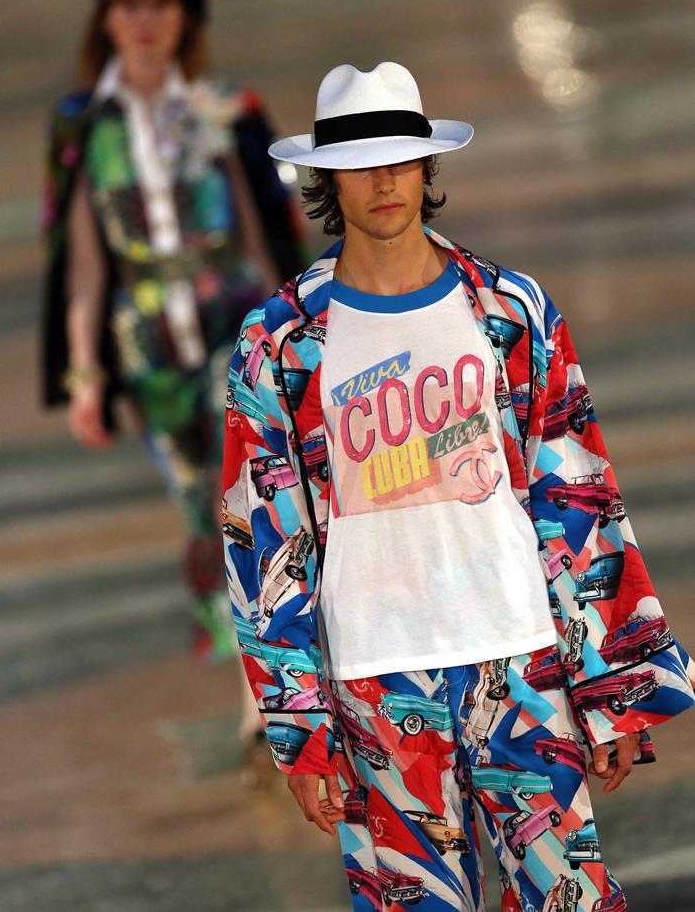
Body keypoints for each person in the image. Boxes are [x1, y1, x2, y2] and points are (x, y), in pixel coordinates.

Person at [221, 62, 695, 909]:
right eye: (360, 164)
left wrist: (608, 688)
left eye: (400, 159)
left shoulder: (510, 311)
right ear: (327, 179)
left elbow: (577, 494)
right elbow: (264, 544)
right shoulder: (281, 343)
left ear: (427, 165)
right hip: (374, 682)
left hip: (523, 662)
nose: (383, 181)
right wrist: (298, 726)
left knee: (571, 898)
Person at [41, 0, 304, 765]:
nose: (146, 20)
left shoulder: (222, 106)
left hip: (232, 320)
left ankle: (265, 694)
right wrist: (84, 375)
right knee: (201, 512)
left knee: (249, 491)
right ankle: (256, 680)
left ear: (186, 17)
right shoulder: (85, 124)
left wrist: (291, 328)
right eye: (130, 5)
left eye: (161, 3)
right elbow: (82, 260)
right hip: (149, 344)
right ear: (106, 19)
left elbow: (262, 227)